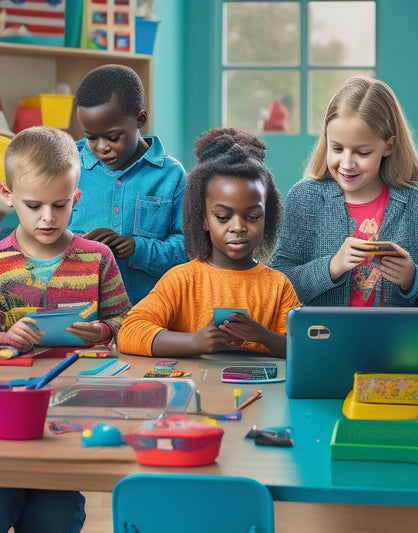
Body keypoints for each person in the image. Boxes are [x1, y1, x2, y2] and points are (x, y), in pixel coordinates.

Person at [0, 126, 131, 533]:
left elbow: (128, 322)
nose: (47, 217)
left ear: (76, 198)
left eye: (60, 205)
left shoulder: (98, 257)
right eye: (34, 204)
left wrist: (105, 333)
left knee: (54, 517)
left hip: (71, 412)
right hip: (10, 416)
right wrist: (6, 338)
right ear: (7, 196)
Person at [118, 128, 301, 358]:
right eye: (223, 217)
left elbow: (304, 346)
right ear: (204, 219)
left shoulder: (278, 285)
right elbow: (130, 331)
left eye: (252, 217)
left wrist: (262, 335)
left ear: (268, 217)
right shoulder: (182, 280)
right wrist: (195, 342)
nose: (237, 227)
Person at [269, 76, 418, 307]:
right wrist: (332, 267)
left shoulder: (417, 199)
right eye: (337, 148)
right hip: (325, 337)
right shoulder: (305, 197)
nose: (347, 163)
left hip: (396, 338)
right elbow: (279, 279)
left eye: (362, 153)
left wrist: (412, 277)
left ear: (388, 146)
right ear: (326, 139)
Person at [69, 64, 187, 304]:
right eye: (91, 137)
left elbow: (188, 250)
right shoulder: (68, 163)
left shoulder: (171, 175)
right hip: (81, 309)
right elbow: (43, 231)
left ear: (140, 119)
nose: (101, 148)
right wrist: (78, 244)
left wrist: (136, 248)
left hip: (146, 311)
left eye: (113, 137)